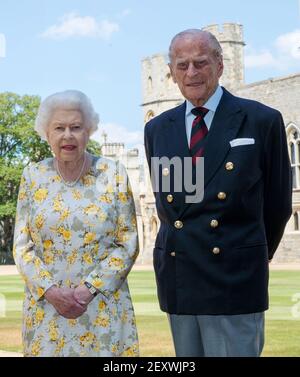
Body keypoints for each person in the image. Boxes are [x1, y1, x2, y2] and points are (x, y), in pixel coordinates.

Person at [144, 29, 292, 357]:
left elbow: (279, 204)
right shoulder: (157, 129)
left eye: (200, 62)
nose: (191, 73)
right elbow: (175, 205)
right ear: (171, 72)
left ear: (220, 65)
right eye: (182, 65)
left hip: (234, 277)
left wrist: (246, 252)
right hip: (181, 277)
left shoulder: (260, 120)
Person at [13, 90, 139, 357]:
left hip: (102, 308)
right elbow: (22, 247)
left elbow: (127, 242)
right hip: (47, 311)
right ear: (46, 133)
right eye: (59, 128)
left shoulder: (113, 173)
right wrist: (51, 291)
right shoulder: (32, 176)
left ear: (89, 131)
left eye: (76, 127)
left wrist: (89, 289)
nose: (67, 135)